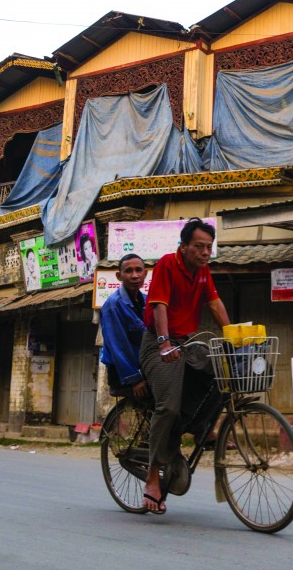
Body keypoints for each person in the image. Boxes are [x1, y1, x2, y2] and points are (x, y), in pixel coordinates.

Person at [139, 217, 230, 514]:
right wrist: (165, 342)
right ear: (184, 246)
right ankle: (153, 475)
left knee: (220, 373)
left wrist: (234, 335)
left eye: (209, 247)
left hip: (187, 341)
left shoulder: (203, 272)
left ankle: (200, 426)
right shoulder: (167, 264)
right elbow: (159, 305)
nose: (205, 253)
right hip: (158, 342)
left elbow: (215, 304)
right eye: (199, 247)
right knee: (169, 406)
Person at [99, 253, 148, 399]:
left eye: (139, 270)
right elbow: (119, 346)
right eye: (128, 271)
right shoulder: (113, 305)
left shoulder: (146, 300)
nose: (134, 275)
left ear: (145, 274)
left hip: (144, 366)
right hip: (125, 373)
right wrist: (135, 379)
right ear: (119, 276)